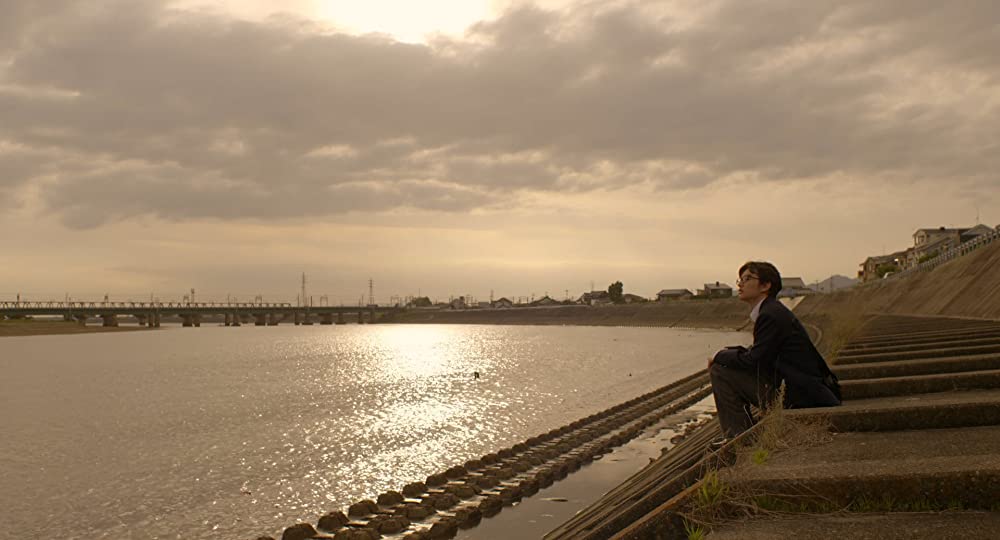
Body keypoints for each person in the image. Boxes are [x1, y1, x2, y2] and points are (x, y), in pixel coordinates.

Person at [709, 261, 840, 440]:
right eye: (740, 280)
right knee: (725, 364)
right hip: (803, 390)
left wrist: (719, 355)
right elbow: (760, 353)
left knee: (720, 371)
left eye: (747, 279)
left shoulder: (769, 315)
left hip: (799, 396)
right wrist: (729, 353)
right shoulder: (772, 311)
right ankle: (741, 433)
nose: (740, 284)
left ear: (765, 285)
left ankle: (738, 439)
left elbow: (753, 361)